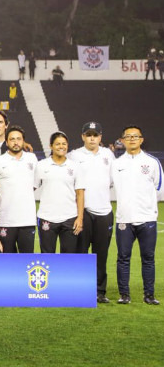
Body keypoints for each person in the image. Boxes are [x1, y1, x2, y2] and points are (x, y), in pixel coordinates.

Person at [111, 125, 163, 305]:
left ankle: (149, 295)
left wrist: (147, 207)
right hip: (124, 219)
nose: (132, 139)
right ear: (122, 140)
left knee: (148, 258)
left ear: (141, 139)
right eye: (128, 136)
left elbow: (159, 189)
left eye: (136, 136)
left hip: (147, 219)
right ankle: (124, 295)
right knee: (123, 258)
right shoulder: (116, 164)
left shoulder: (152, 162)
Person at [67, 121, 115, 302]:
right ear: (82, 137)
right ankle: (81, 289)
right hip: (83, 211)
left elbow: (111, 180)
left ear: (100, 137)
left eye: (95, 135)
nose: (92, 138)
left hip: (104, 211)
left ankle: (100, 291)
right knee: (81, 252)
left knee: (101, 253)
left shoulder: (108, 155)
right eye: (88, 135)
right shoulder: (74, 155)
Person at [0, 126, 38, 253]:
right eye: (12, 139)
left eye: (19, 139)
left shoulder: (32, 158)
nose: (16, 142)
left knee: (26, 262)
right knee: (7, 262)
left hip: (27, 220)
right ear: (7, 141)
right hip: (5, 220)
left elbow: (35, 184)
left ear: (23, 141)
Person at [34, 132, 85, 254]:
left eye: (64, 144)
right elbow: (31, 188)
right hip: (47, 217)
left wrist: (80, 218)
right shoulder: (41, 165)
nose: (61, 146)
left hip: (69, 218)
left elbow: (80, 194)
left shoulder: (75, 166)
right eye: (57, 144)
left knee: (68, 259)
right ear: (51, 146)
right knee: (47, 257)